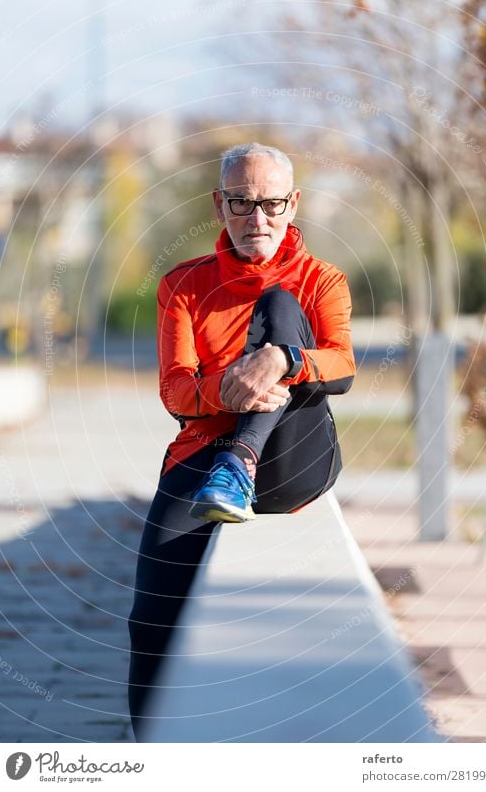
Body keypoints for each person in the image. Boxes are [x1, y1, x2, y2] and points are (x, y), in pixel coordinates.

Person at [128, 142, 355, 739]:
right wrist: (227, 392)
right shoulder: (183, 285)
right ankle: (152, 761)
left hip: (292, 449)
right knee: (150, 622)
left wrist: (283, 359)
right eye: (242, 203)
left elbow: (344, 368)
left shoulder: (321, 280)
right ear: (219, 205)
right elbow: (176, 393)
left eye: (272, 204)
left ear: (293, 202)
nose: (258, 218)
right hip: (201, 452)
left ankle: (242, 460)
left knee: (280, 306)